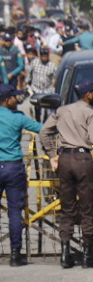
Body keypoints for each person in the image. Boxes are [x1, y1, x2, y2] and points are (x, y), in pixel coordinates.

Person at [40, 80, 93, 268]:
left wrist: (52, 155)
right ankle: (88, 256)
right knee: (87, 208)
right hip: (82, 160)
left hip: (64, 160)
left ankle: (65, 254)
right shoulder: (91, 113)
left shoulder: (62, 111)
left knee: (67, 208)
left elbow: (44, 132)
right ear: (88, 94)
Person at [0, 83, 40, 266]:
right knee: (15, 211)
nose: (17, 99)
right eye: (14, 97)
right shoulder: (17, 118)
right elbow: (42, 128)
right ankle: (15, 254)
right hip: (13, 166)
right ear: (7, 100)